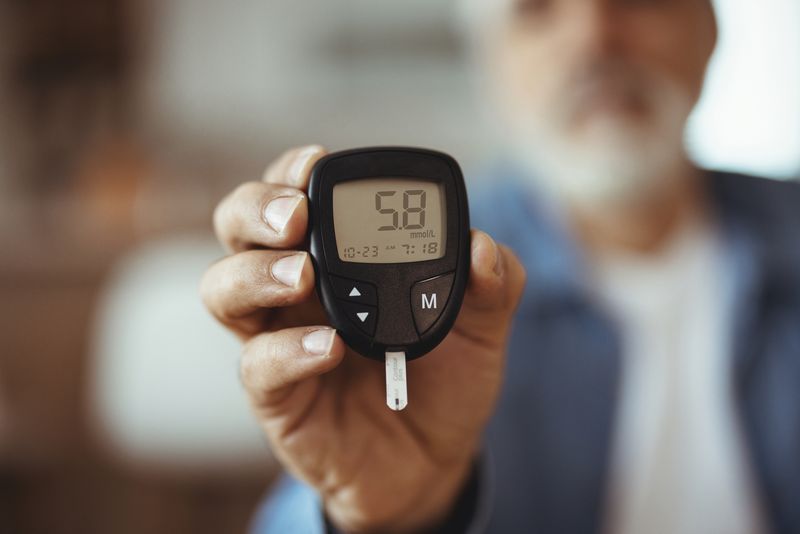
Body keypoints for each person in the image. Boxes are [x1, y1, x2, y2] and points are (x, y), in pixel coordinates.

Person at [200, 0, 800, 532]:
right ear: (490, 60)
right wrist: (380, 519)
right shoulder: (438, 262)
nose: (595, 37)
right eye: (535, 9)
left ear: (711, 28)